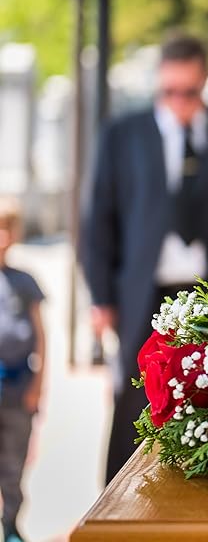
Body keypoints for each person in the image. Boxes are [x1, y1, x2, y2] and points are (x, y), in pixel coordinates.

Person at [82, 34, 208, 484]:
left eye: (189, 92)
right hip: (142, 293)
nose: (179, 102)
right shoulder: (122, 136)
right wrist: (101, 297)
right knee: (134, 398)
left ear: (204, 84)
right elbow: (98, 222)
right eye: (169, 92)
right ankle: (117, 498)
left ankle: (207, 488)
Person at [0, 197, 45, 542]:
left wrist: (37, 387)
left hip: (17, 388)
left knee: (13, 466)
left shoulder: (25, 282)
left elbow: (42, 338)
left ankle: (11, 524)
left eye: (7, 228)